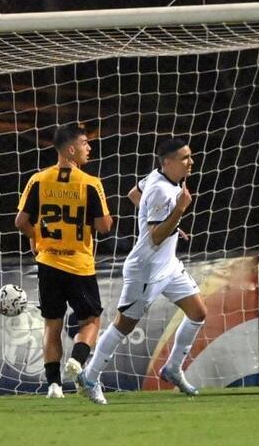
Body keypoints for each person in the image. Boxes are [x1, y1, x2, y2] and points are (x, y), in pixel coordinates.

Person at [78, 137, 207, 405]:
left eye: (190, 156)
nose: (191, 162)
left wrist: (168, 222)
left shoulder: (157, 178)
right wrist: (179, 212)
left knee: (198, 313)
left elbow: (133, 195)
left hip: (168, 266)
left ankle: (172, 369)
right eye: (185, 158)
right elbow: (156, 237)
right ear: (168, 162)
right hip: (147, 269)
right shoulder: (162, 189)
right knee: (123, 325)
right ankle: (90, 377)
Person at [15, 124, 112, 399]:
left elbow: (21, 221)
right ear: (71, 149)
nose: (89, 148)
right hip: (79, 264)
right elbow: (104, 226)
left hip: (48, 263)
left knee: (52, 325)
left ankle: (54, 385)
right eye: (84, 143)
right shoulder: (90, 183)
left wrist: (35, 239)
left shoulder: (38, 180)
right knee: (91, 321)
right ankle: (78, 361)